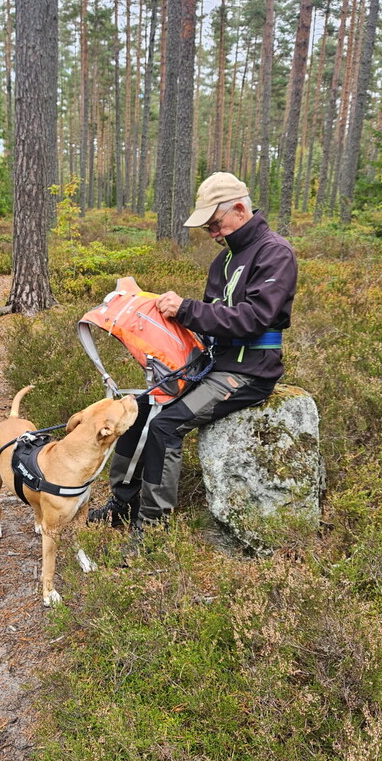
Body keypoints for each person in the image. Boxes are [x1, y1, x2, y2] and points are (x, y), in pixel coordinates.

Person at [90, 171, 298, 532]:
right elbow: (211, 321)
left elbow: (254, 319)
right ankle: (122, 504)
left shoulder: (275, 253)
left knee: (166, 426)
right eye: (208, 229)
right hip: (212, 365)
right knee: (138, 410)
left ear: (239, 209)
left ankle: (152, 528)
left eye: (215, 224)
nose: (213, 233)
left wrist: (186, 309)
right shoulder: (223, 261)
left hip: (250, 372)